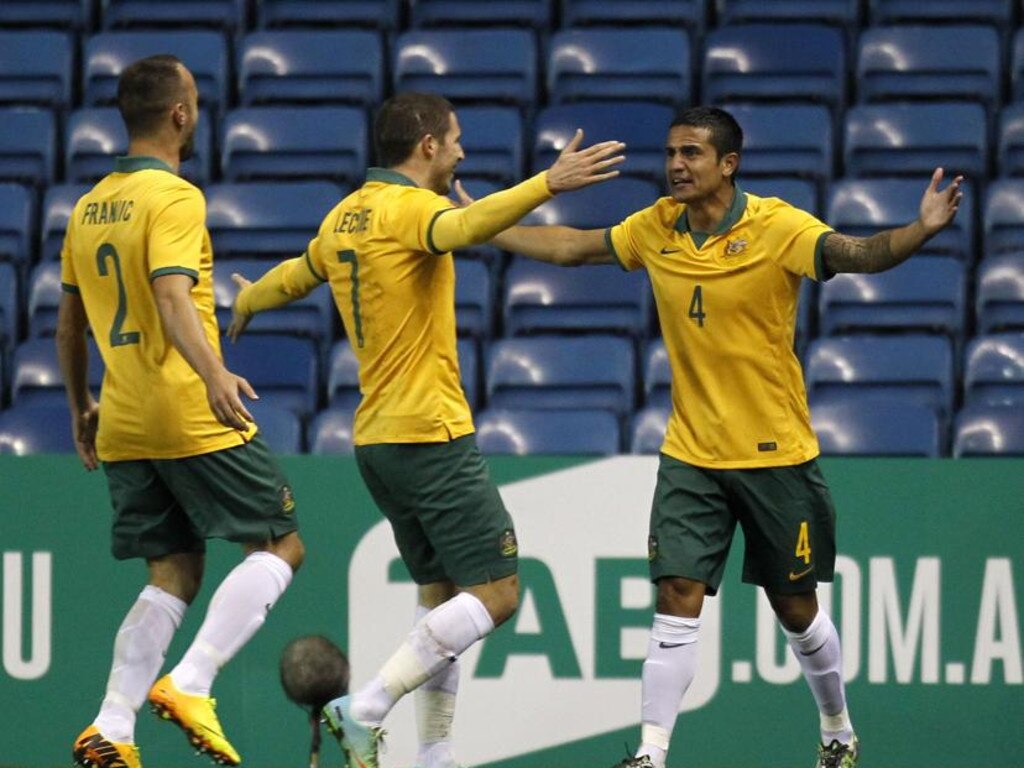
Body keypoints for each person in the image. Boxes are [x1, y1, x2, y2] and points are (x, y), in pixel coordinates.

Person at [461, 106, 963, 768]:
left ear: (728, 164)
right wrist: (487, 224)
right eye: (671, 152)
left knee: (796, 609)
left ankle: (837, 728)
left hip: (776, 454)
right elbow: (571, 247)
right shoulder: (656, 227)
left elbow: (860, 254)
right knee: (676, 594)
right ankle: (651, 753)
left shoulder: (777, 226)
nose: (676, 164)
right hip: (691, 454)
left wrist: (919, 230)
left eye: (692, 154)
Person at [227, 91, 625, 768]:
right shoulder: (412, 209)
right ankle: (368, 706)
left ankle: (434, 758)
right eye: (457, 139)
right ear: (428, 146)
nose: (464, 151)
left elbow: (295, 277)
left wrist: (249, 298)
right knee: (497, 594)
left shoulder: (345, 215)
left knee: (439, 599)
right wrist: (546, 184)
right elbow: (463, 232)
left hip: (377, 443)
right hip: (429, 433)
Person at [59, 55, 305, 768]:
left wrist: (82, 407)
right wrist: (216, 372)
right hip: (183, 405)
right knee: (281, 544)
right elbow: (172, 297)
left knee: (172, 572)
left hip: (124, 419)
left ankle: (112, 724)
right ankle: (192, 682)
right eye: (195, 101)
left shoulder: (88, 205)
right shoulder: (175, 198)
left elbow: (68, 329)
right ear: (179, 115)